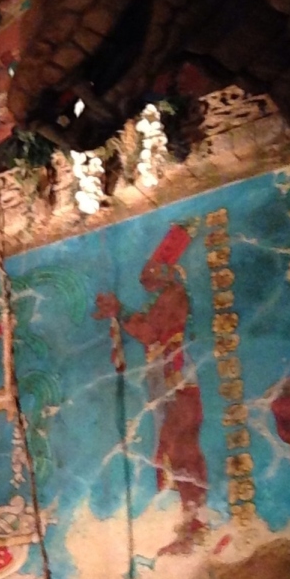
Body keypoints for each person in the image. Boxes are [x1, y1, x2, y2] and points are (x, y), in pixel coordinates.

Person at [94, 223, 209, 554]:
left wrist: (120, 311)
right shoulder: (162, 298)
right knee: (174, 448)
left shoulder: (173, 296)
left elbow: (150, 332)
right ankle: (191, 523)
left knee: (180, 447)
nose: (146, 278)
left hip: (175, 377)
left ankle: (195, 524)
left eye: (152, 271)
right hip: (164, 377)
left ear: (166, 272)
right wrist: (119, 312)